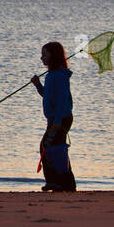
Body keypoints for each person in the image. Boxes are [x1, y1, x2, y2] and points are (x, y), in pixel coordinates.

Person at [31, 41, 77, 191]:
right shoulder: (51, 75)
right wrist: (38, 85)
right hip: (55, 118)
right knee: (53, 147)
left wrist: (57, 121)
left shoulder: (59, 76)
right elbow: (48, 96)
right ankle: (60, 182)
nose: (41, 58)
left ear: (53, 56)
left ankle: (59, 181)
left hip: (61, 118)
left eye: (44, 54)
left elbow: (62, 100)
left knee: (50, 147)